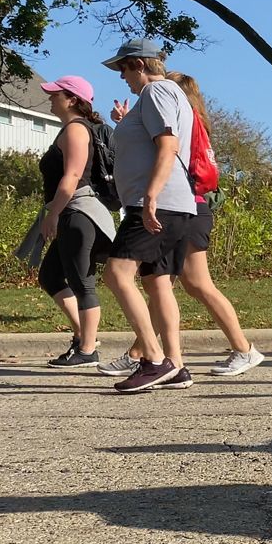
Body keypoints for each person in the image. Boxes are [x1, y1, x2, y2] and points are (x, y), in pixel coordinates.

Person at [97, 72, 265, 384]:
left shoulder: (179, 118)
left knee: (188, 283)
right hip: (193, 206)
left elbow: (166, 152)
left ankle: (237, 349)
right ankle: (157, 357)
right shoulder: (196, 121)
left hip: (187, 205)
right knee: (163, 282)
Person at [97, 38, 197, 392]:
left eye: (123, 68)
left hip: (156, 202)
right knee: (157, 283)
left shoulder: (156, 93)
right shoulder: (171, 95)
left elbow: (167, 145)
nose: (121, 77)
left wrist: (150, 196)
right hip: (176, 204)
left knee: (116, 273)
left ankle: (154, 359)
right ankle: (177, 365)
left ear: (139, 64)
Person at [31, 75, 117, 368]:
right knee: (51, 276)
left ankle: (87, 350)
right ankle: (83, 337)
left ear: (72, 99)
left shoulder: (76, 130)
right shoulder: (71, 129)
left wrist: (53, 214)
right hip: (72, 212)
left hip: (79, 213)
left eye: (56, 95)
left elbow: (71, 178)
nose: (51, 99)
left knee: (83, 283)